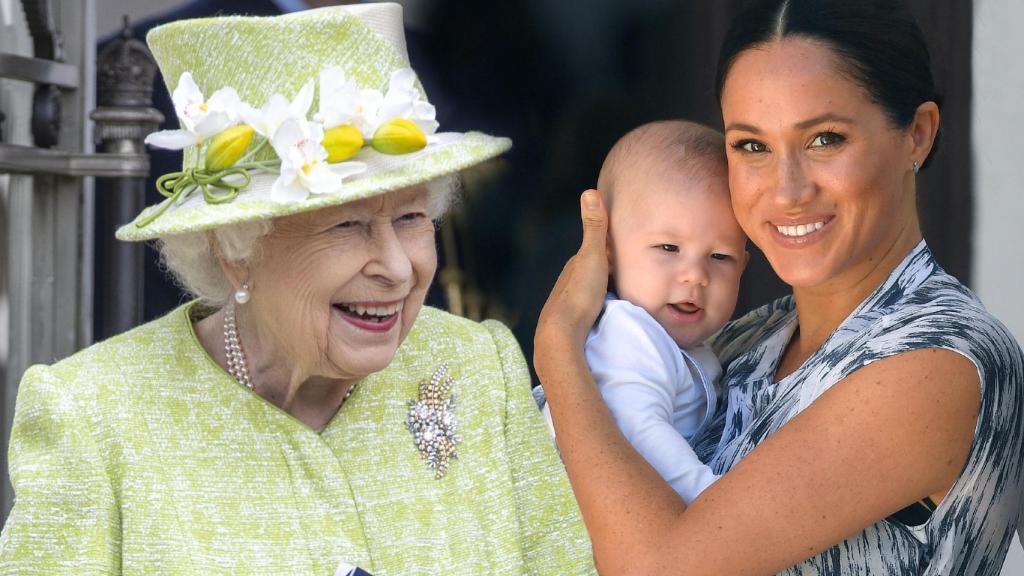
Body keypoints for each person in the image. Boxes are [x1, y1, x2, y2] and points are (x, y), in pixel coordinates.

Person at [0, 5, 594, 575]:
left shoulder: (476, 367)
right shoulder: (93, 417)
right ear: (235, 251)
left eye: (412, 218)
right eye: (347, 225)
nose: (397, 266)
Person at [534, 0, 1024, 574]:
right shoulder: (748, 337)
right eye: (751, 146)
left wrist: (558, 345)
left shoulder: (938, 359)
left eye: (825, 139)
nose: (787, 191)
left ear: (917, 135)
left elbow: (660, 567)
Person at [544, 120, 747, 505]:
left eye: (720, 257)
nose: (695, 275)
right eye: (668, 248)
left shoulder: (679, 342)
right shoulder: (629, 333)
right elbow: (637, 429)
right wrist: (710, 502)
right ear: (607, 251)